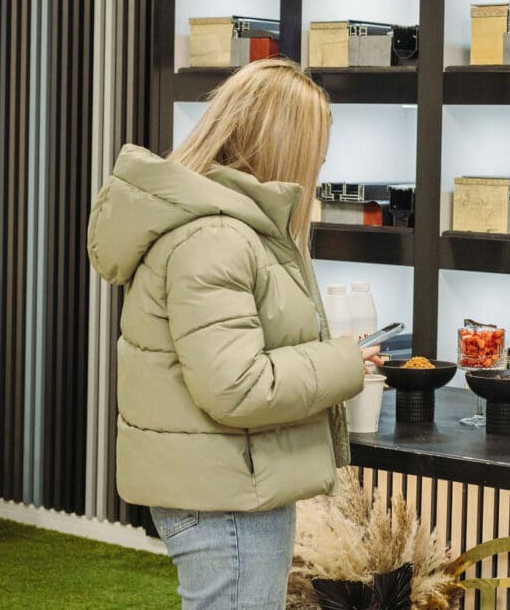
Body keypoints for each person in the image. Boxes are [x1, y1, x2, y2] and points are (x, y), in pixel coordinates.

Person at [87, 58, 379, 609]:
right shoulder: (217, 236)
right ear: (281, 143)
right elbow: (237, 385)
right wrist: (346, 364)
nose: (320, 160)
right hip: (228, 494)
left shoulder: (226, 227)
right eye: (316, 144)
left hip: (229, 482)